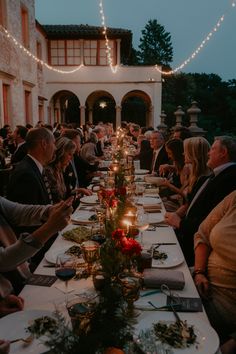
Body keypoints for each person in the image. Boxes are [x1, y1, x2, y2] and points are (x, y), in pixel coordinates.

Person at [165, 136, 236, 266]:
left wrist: (180, 223)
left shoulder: (229, 180)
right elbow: (190, 204)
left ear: (223, 153)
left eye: (213, 149)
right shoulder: (210, 177)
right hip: (185, 235)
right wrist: (176, 216)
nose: (208, 152)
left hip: (192, 249)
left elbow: (210, 222)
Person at [0, 195, 73, 297]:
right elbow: (3, 261)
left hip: (22, 273)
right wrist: (49, 228)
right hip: (8, 291)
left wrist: (50, 210)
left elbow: (21, 212)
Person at [193, 190, 236, 343]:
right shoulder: (233, 198)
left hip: (225, 307)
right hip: (199, 281)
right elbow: (202, 234)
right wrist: (199, 272)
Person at [7, 127, 56, 205]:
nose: (55, 148)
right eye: (53, 143)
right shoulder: (26, 175)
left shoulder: (33, 167)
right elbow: (30, 214)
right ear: (44, 144)